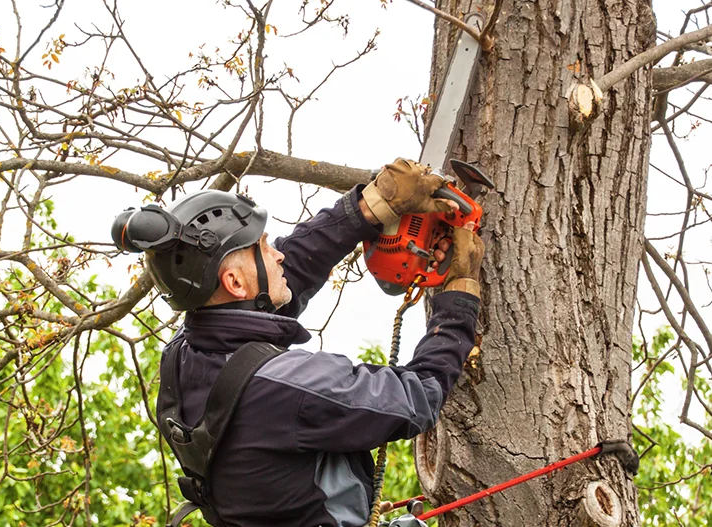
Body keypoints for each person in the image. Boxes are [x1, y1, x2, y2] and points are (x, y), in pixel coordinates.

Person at [111, 158, 485, 527]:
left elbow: (290, 273)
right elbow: (416, 397)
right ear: (235, 283)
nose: (278, 254)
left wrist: (365, 209)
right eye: (264, 247)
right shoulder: (288, 385)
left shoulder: (185, 355)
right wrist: (459, 297)